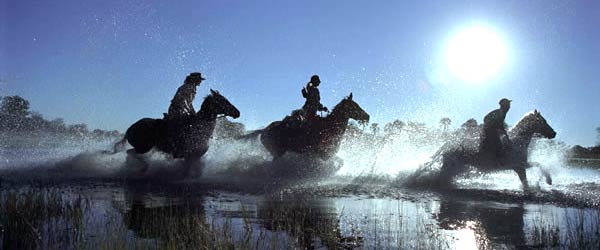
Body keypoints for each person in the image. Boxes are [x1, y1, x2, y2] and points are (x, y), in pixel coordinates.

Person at [164, 72, 205, 157]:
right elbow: (184, 101)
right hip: (176, 110)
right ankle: (178, 147)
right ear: (195, 80)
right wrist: (190, 111)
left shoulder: (192, 88)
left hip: (182, 109)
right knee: (183, 125)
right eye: (199, 80)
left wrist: (193, 112)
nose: (200, 82)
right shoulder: (188, 87)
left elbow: (189, 103)